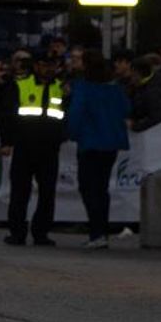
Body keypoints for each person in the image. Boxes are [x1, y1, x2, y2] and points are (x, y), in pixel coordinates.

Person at [2, 53, 68, 246]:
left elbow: (65, 113)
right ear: (36, 66)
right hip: (25, 145)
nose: (48, 69)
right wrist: (6, 141)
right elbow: (7, 115)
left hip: (49, 147)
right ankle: (17, 232)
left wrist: (61, 136)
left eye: (51, 65)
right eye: (43, 64)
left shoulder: (60, 87)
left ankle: (41, 232)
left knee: (47, 192)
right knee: (20, 191)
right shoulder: (21, 85)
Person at [67, 50, 131, 249]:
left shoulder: (83, 88)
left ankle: (97, 232)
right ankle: (101, 231)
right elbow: (126, 109)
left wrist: (71, 132)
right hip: (111, 142)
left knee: (88, 187)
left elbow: (76, 113)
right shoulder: (115, 89)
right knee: (101, 188)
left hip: (90, 142)